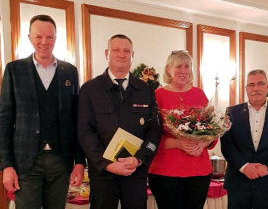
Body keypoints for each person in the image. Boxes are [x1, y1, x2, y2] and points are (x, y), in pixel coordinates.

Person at [0, 14, 85, 209]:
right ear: (29, 37)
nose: (44, 42)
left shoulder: (69, 71)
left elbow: (76, 120)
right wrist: (6, 165)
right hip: (26, 162)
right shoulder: (14, 70)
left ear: (56, 38)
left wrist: (79, 162)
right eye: (39, 37)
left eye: (50, 37)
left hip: (60, 162)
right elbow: (4, 120)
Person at [78, 34, 161, 209]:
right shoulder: (90, 90)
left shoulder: (145, 90)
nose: (121, 55)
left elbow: (154, 131)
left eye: (126, 51)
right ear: (107, 53)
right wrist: (107, 164)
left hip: (135, 172)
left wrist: (139, 159)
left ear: (132, 55)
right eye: (116, 50)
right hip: (103, 175)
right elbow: (85, 133)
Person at [148, 50, 217, 209]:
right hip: (165, 172)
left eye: (187, 66)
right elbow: (149, 135)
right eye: (178, 66)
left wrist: (204, 143)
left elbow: (213, 129)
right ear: (168, 69)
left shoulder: (199, 94)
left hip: (199, 171)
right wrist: (177, 143)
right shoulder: (157, 95)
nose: (183, 70)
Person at [221, 69, 268, 209]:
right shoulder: (232, 112)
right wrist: (244, 167)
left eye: (260, 83)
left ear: (267, 87)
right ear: (246, 88)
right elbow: (226, 144)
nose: (256, 88)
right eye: (251, 84)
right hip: (238, 181)